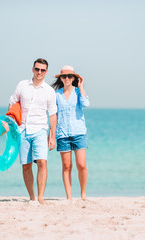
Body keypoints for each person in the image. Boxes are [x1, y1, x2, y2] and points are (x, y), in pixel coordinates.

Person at [9, 58, 57, 204]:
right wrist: (12, 125)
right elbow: (12, 103)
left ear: (46, 72)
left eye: (42, 70)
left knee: (42, 162)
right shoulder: (22, 85)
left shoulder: (49, 91)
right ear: (32, 69)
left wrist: (52, 136)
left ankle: (41, 197)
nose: (39, 72)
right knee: (26, 164)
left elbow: (53, 114)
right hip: (23, 128)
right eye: (37, 69)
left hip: (41, 129)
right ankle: (32, 197)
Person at [51, 66, 90, 200]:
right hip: (62, 134)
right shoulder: (56, 95)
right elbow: (52, 115)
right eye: (64, 76)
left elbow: (85, 104)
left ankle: (83, 194)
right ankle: (69, 196)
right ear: (60, 78)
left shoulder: (78, 92)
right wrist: (52, 135)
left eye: (69, 76)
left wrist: (81, 86)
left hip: (79, 132)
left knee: (82, 165)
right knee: (67, 166)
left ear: (74, 78)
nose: (66, 79)